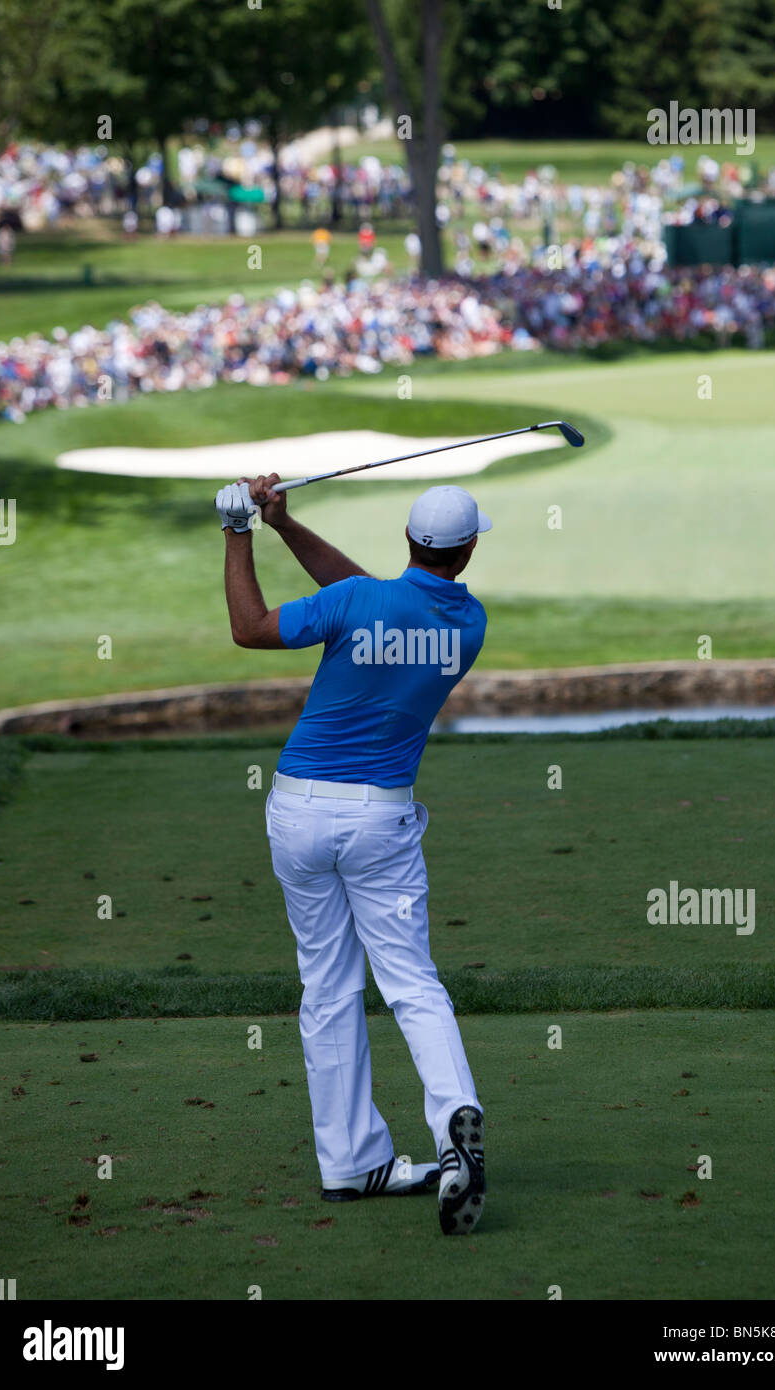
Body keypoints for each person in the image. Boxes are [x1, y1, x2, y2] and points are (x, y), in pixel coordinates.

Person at [214, 475, 488, 1235]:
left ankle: (349, 1162)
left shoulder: (357, 605)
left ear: (408, 540)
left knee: (327, 986)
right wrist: (284, 526)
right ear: (465, 550)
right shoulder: (467, 623)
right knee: (411, 984)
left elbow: (249, 626)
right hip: (380, 823)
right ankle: (454, 1121)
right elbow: (371, 596)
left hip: (297, 811)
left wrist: (239, 529)